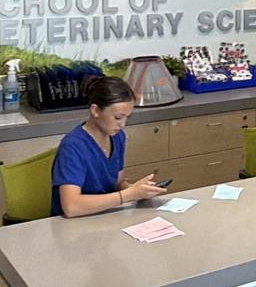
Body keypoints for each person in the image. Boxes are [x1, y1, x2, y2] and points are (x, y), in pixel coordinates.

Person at [50, 76, 169, 217]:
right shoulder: (73, 147)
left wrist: (138, 190)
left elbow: (117, 183)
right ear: (95, 111)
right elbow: (72, 207)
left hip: (104, 216)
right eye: (118, 117)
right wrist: (127, 195)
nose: (123, 124)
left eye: (127, 117)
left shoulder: (118, 137)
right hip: (72, 225)